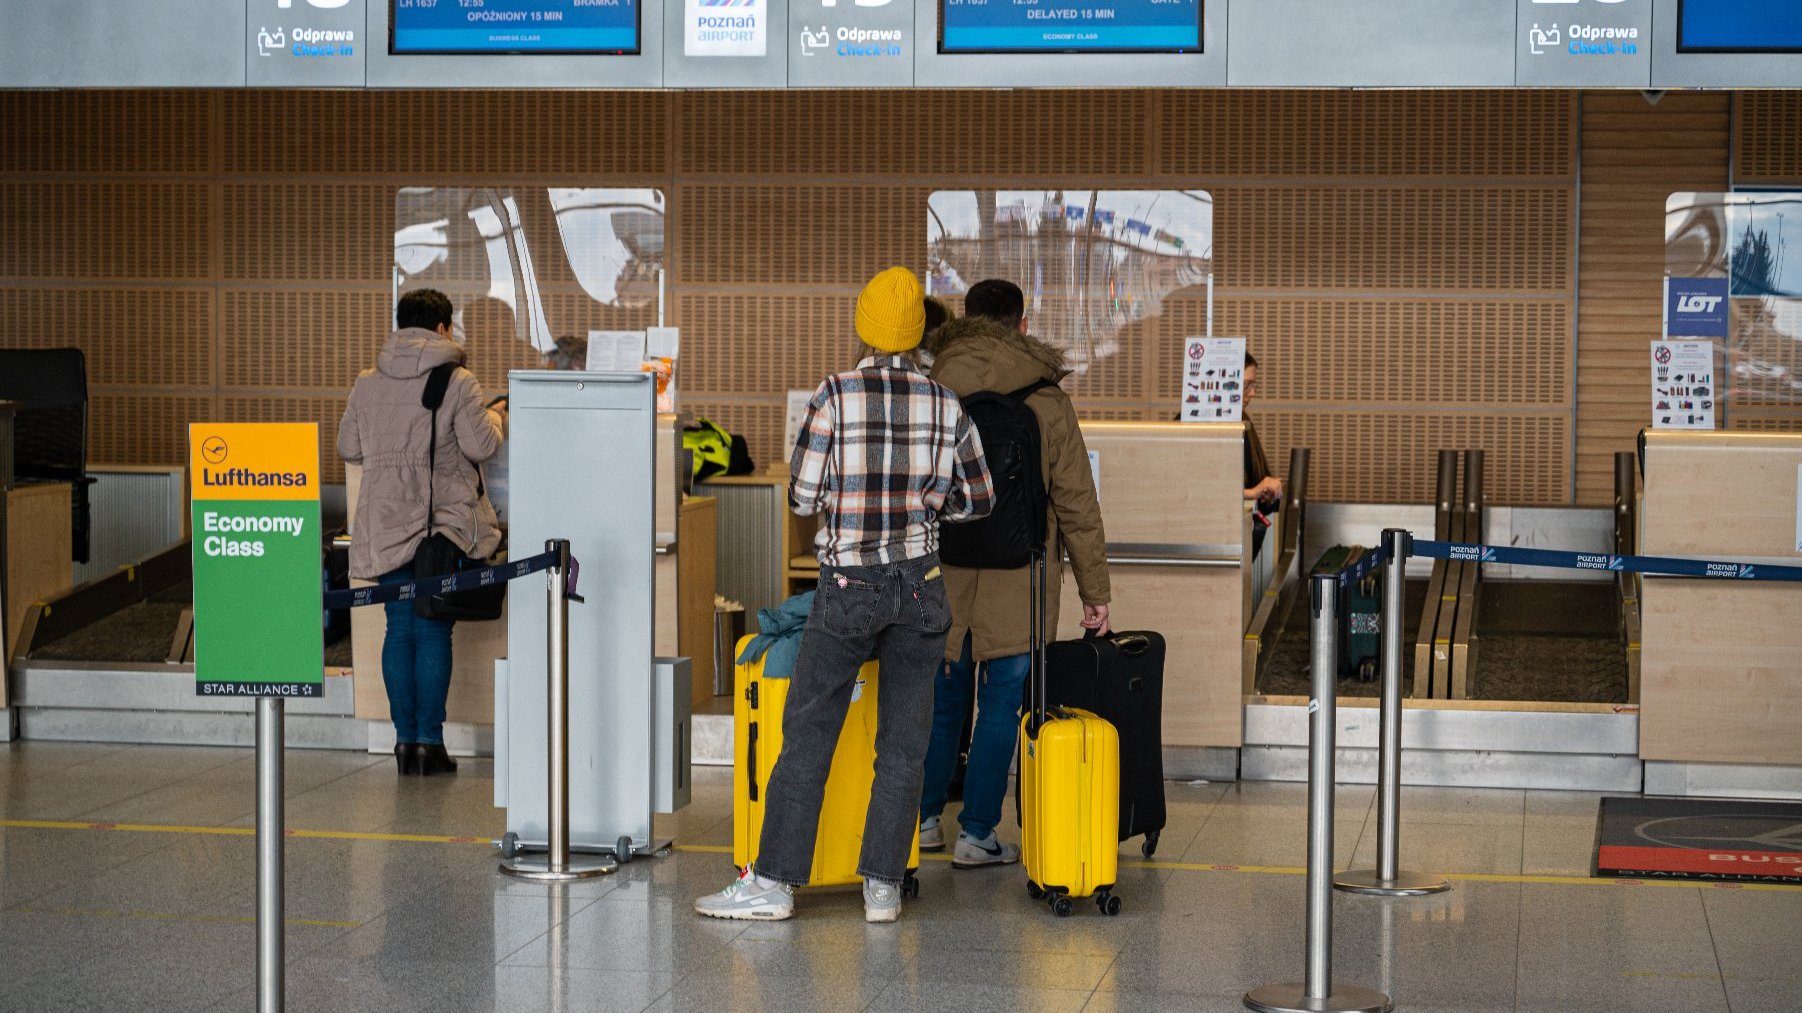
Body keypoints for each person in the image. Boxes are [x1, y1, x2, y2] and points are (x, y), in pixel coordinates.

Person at [695, 267, 994, 925]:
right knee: (904, 747)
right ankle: (883, 886)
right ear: (919, 331)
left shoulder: (834, 395)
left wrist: (848, 501)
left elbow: (802, 496)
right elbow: (979, 499)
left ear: (861, 325)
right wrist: (924, 507)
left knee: (808, 733)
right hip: (921, 588)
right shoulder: (947, 404)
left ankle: (773, 882)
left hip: (849, 587)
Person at [916, 278, 1111, 868]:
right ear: (1022, 324)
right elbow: (1077, 502)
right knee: (1001, 706)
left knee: (942, 701)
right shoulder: (1046, 397)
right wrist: (1095, 592)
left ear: (963, 320)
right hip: (1020, 579)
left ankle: (924, 821)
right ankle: (977, 834)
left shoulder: (931, 388)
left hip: (941, 575)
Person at [337, 289, 505, 777]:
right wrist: (497, 415)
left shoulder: (368, 381)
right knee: (432, 629)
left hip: (386, 521)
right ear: (442, 329)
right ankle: (431, 743)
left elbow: (349, 445)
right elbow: (482, 444)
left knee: (399, 627)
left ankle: (404, 743)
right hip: (439, 524)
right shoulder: (458, 379)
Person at [1242, 352, 1283, 557]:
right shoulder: (1190, 425)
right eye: (1246, 385)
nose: (1252, 393)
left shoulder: (1243, 421)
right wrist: (1252, 493)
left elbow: (1257, 480)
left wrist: (1266, 491)